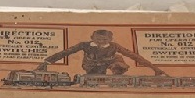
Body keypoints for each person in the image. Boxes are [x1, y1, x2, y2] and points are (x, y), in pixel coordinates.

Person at [36, 29, 167, 76]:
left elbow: (134, 56)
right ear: (92, 38)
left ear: (110, 39)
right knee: (94, 77)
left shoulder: (115, 46)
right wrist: (46, 62)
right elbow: (65, 52)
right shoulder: (84, 45)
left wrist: (154, 68)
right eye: (98, 39)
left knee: (118, 59)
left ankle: (117, 76)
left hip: (110, 62)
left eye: (104, 40)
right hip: (91, 65)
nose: (100, 42)